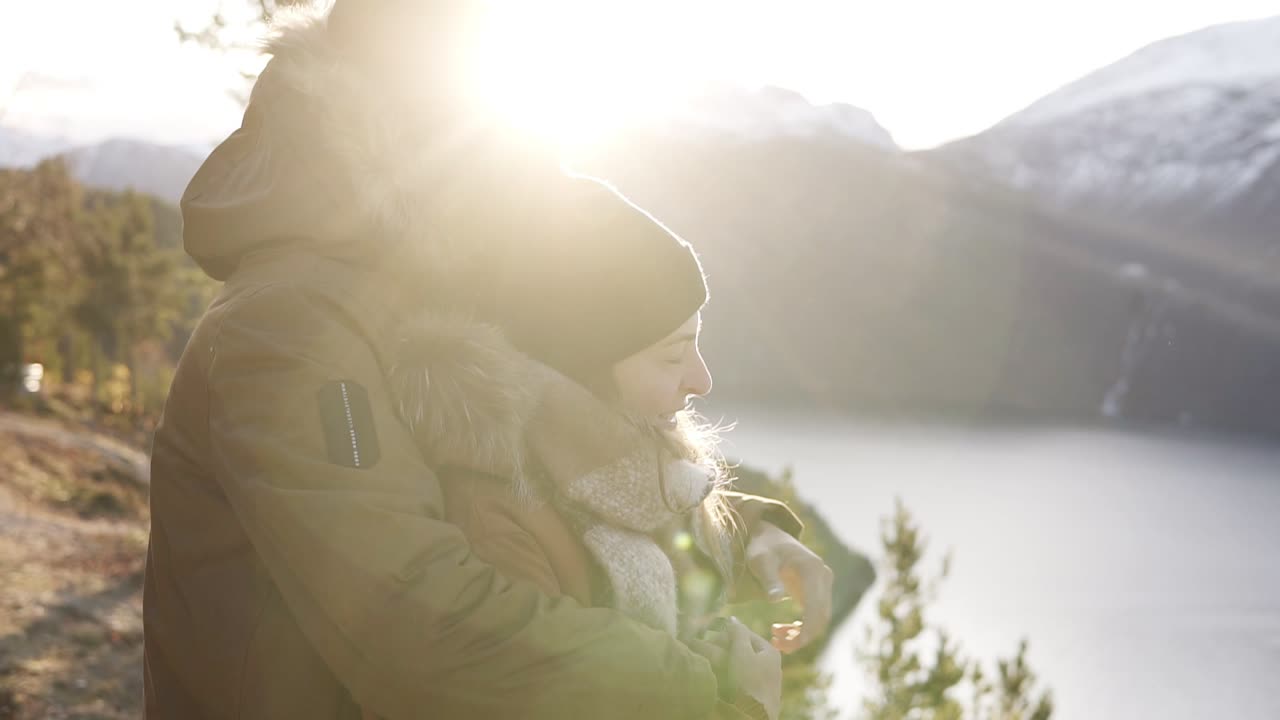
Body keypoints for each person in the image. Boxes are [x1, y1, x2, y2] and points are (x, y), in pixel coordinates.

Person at [142, 2, 833, 719]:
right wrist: (702, 694)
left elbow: (575, 465)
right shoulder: (291, 328)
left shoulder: (435, 270)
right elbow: (419, 626)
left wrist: (749, 532)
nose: (536, 180)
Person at [386, 170, 790, 719]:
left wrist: (762, 533)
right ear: (582, 370)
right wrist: (750, 704)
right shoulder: (496, 525)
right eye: (672, 356)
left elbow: (665, 539)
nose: (701, 379)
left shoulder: (630, 468)